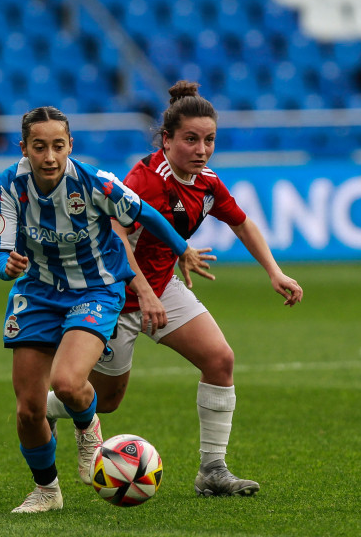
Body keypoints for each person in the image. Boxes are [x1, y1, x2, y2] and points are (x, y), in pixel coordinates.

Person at [45, 81, 304, 496]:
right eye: (191, 140)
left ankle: (212, 471)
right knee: (106, 400)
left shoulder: (207, 183)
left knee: (220, 360)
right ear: (166, 140)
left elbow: (241, 222)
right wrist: (143, 293)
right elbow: (113, 235)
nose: (201, 150)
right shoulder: (145, 181)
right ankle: (44, 409)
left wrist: (274, 271)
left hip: (163, 289)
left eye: (209, 140)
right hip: (114, 295)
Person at [0, 105, 212, 513]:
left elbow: (146, 214)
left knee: (68, 383)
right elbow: (0, 256)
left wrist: (182, 248)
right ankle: (46, 492)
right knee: (28, 410)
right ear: (24, 148)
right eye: (39, 147)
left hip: (94, 289)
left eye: (58, 146)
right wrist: (6, 265)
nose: (50, 157)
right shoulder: (10, 185)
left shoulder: (96, 183)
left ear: (70, 145)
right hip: (38, 293)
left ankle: (88, 427)